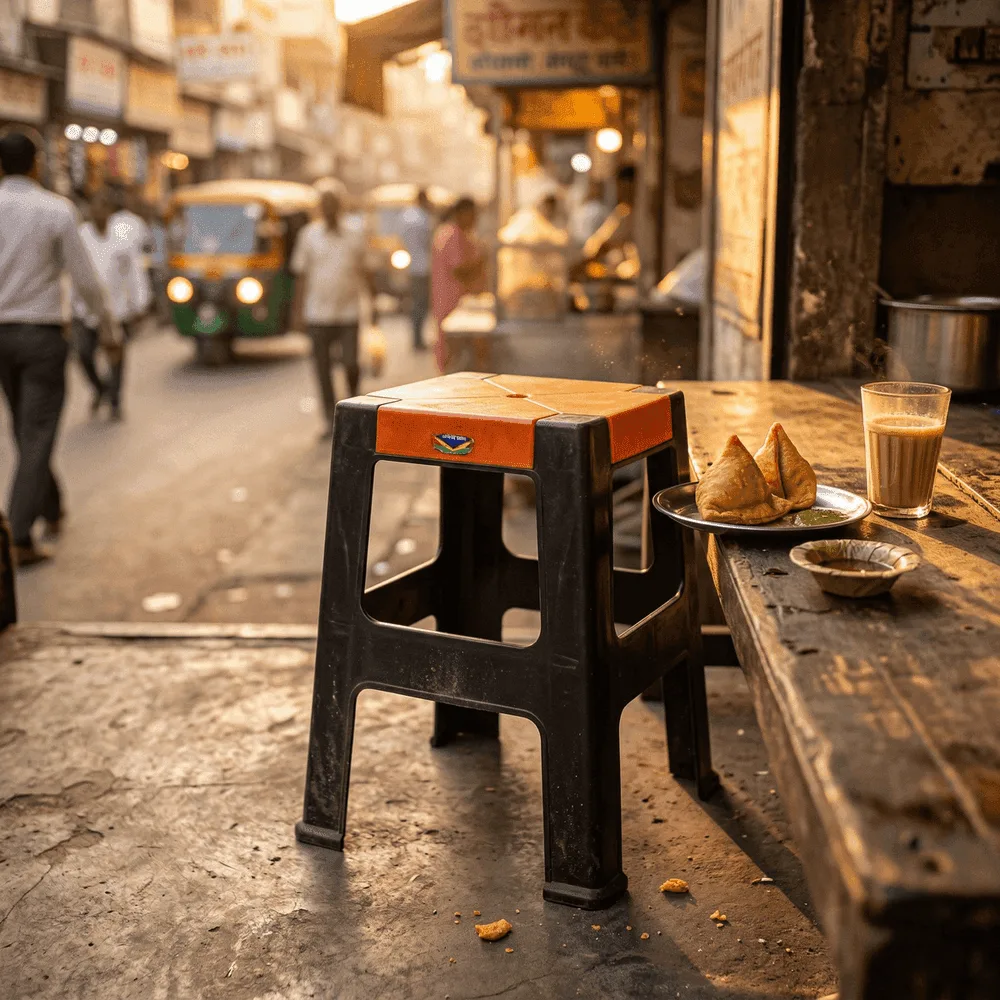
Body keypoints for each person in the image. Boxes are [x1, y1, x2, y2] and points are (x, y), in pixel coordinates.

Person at [0, 130, 113, 565]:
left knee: (25, 428)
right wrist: (108, 329)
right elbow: (84, 279)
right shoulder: (55, 210)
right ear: (35, 164)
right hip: (41, 335)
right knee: (36, 432)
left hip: (3, 337)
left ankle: (51, 505)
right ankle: (20, 535)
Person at [290, 183, 368, 438]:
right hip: (318, 314)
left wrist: (374, 302)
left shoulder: (355, 234)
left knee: (351, 364)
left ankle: (354, 413)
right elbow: (301, 275)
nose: (330, 208)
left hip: (347, 312)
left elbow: (365, 270)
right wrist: (298, 312)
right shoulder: (309, 235)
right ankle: (330, 421)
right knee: (322, 370)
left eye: (334, 203)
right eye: (326, 204)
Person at [74, 189, 133, 420]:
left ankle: (115, 400)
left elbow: (132, 272)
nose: (98, 212)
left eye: (103, 207)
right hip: (86, 309)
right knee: (84, 353)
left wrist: (136, 303)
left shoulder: (121, 236)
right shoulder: (81, 236)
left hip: (115, 309)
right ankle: (100, 389)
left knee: (116, 357)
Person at [431, 196, 485, 372]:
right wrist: (482, 258)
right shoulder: (453, 236)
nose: (475, 221)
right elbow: (459, 270)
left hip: (446, 300)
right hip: (451, 301)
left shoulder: (447, 233)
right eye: (473, 215)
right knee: (453, 357)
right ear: (463, 213)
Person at [399, 189, 433, 351]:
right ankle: (417, 339)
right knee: (420, 304)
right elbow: (428, 242)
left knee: (416, 304)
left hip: (413, 266)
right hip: (423, 267)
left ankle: (416, 338)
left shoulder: (407, 216)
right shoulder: (423, 218)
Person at [569, 179, 608, 247]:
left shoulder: (600, 209)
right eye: (591, 188)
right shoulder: (581, 207)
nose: (593, 190)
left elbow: (605, 230)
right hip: (576, 243)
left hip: (591, 245)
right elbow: (573, 225)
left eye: (595, 188)